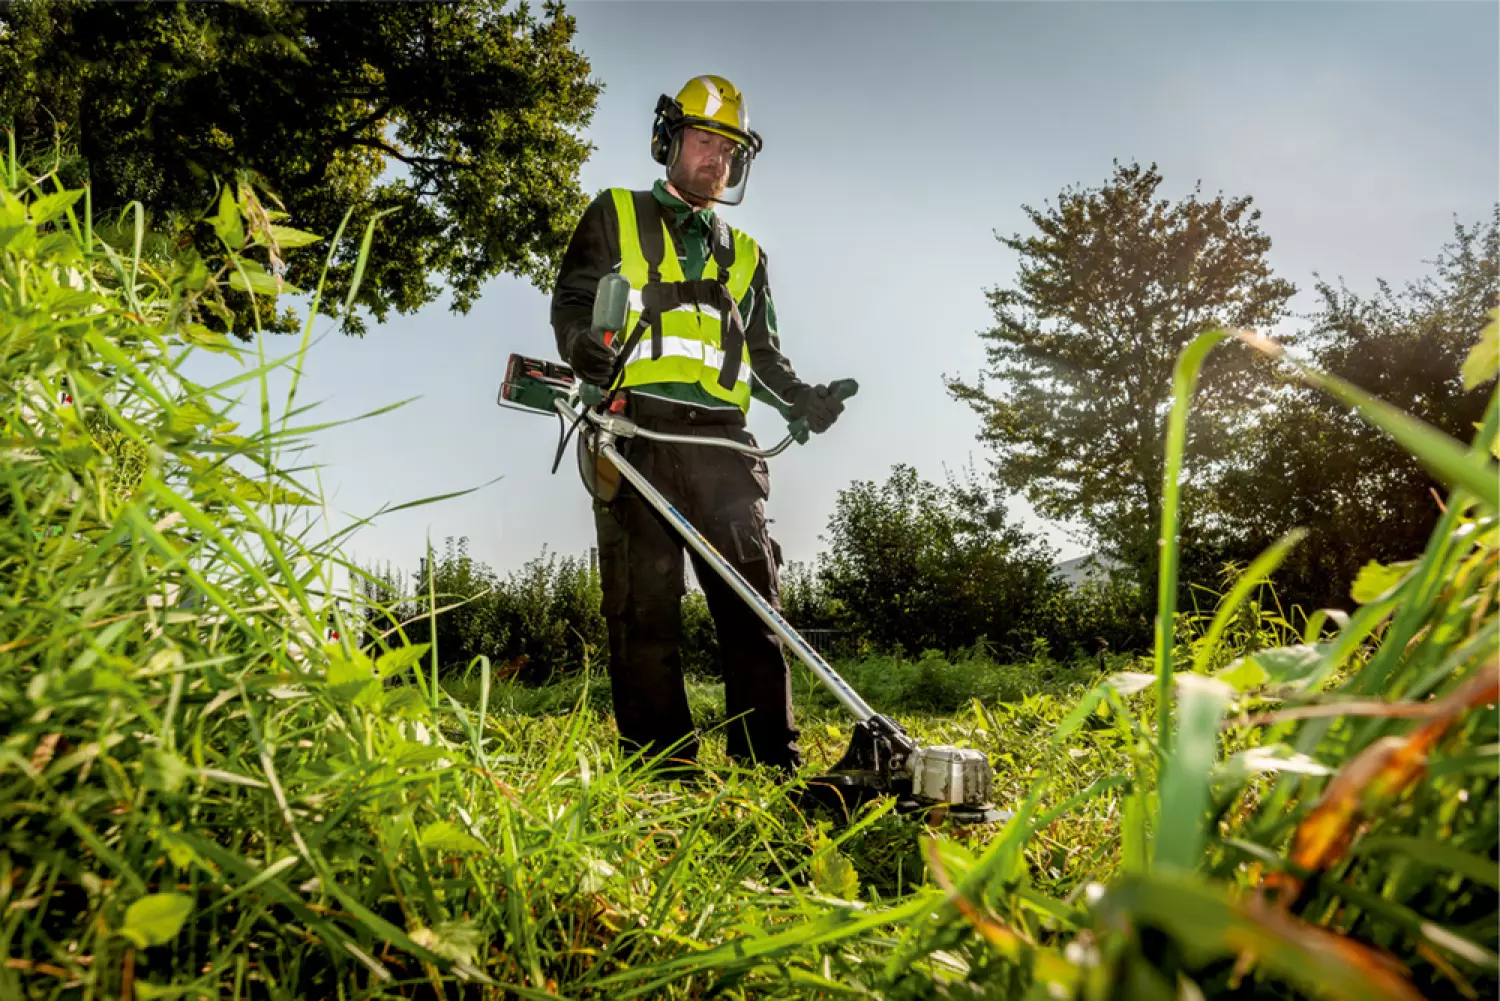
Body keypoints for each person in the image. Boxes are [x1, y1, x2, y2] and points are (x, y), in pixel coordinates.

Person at [549, 75, 848, 776]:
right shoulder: (613, 213)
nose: (716, 158)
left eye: (728, 149)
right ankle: (663, 773)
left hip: (721, 440)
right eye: (704, 140)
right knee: (644, 612)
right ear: (669, 141)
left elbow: (765, 353)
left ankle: (765, 764)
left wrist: (802, 398)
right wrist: (578, 344)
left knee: (753, 604)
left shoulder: (745, 254)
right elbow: (571, 299)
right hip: (634, 433)